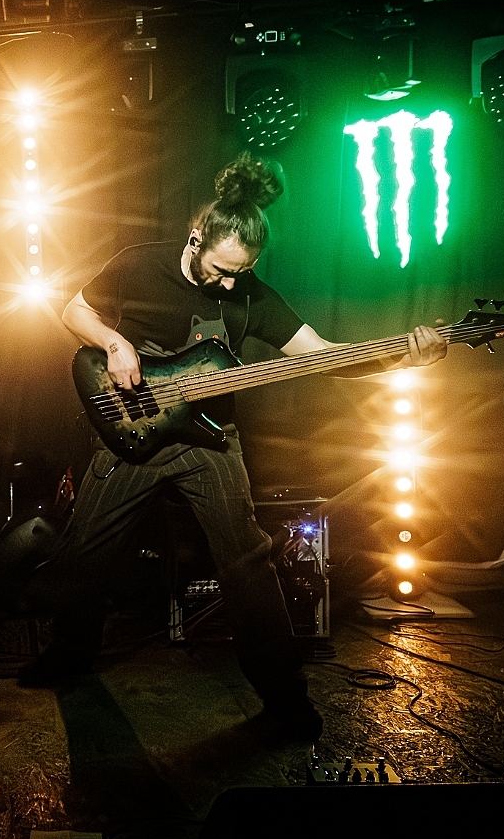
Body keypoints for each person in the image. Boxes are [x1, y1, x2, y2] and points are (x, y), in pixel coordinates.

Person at [25, 154, 446, 739]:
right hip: (133, 427)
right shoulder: (141, 263)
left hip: (211, 440)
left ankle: (285, 698)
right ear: (196, 239)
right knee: (84, 553)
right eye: (222, 270)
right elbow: (74, 308)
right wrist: (114, 343)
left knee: (248, 562)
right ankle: (69, 655)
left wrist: (401, 357)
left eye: (241, 272)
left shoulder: (251, 295)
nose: (230, 283)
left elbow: (322, 354)